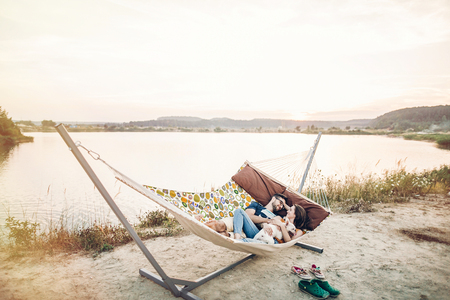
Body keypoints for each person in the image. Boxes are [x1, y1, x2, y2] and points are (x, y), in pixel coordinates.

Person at [233, 194, 308, 243]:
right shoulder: (280, 218)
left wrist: (282, 226)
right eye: (288, 209)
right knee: (239, 211)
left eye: (290, 210)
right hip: (259, 233)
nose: (287, 211)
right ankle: (237, 238)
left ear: (296, 216)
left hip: (270, 241)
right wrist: (264, 224)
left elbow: (289, 242)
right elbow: (269, 221)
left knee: (257, 242)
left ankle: (240, 242)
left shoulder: (299, 231)